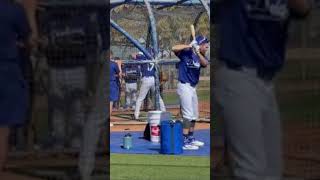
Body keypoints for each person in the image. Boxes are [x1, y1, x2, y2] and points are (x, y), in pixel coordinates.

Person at [213, 0, 311, 179]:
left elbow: (304, 8)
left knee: (272, 170)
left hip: (267, 82)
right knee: (251, 170)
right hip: (239, 75)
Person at [0, 0, 31, 174]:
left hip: (7, 71)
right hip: (7, 72)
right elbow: (28, 37)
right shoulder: (12, 10)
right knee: (2, 131)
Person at [172, 35, 209, 150]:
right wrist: (189, 45)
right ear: (199, 44)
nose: (207, 46)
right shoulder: (186, 52)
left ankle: (190, 138)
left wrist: (197, 52)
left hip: (192, 88)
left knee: (194, 115)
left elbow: (205, 64)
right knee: (187, 115)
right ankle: (184, 141)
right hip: (184, 86)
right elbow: (174, 48)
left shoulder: (201, 56)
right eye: (205, 44)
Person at [133, 51, 166, 120]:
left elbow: (137, 58)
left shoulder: (142, 57)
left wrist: (136, 56)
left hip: (146, 79)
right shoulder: (152, 58)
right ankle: (164, 112)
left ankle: (136, 115)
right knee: (158, 97)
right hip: (153, 79)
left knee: (140, 98)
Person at [110, 51, 121, 126]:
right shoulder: (113, 64)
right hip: (111, 84)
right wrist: (119, 64)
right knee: (110, 103)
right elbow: (119, 73)